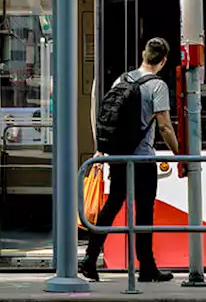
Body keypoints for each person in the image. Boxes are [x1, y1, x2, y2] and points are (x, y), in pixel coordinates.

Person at [80, 37, 181, 283]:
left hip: (119, 156)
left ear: (143, 55)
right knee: (144, 212)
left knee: (112, 205)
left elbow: (108, 117)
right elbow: (165, 127)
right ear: (163, 60)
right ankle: (147, 268)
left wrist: (103, 148)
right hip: (143, 158)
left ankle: (90, 259)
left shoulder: (122, 80)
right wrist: (180, 154)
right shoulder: (157, 86)